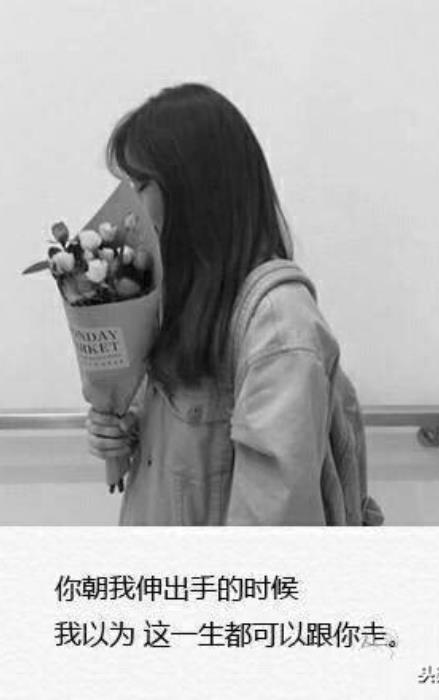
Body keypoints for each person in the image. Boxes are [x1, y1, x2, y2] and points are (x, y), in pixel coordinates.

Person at [86, 83, 342, 525]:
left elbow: (272, 525)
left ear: (193, 189)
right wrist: (125, 430)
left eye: (140, 186)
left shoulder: (278, 327)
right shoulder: (185, 296)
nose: (129, 210)